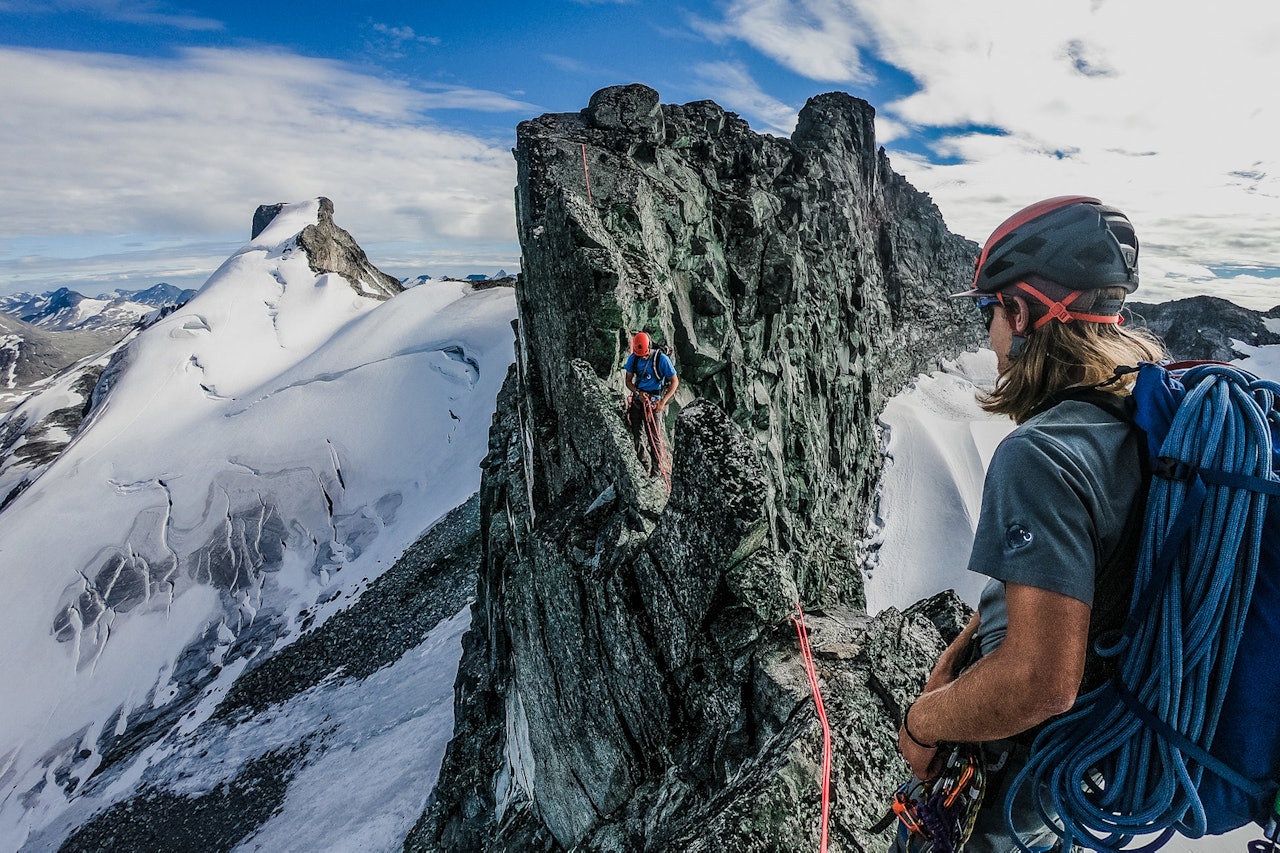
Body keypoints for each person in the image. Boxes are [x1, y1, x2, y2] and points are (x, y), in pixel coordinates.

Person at [891, 196, 1168, 852]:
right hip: (1076, 770)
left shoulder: (1041, 453)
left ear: (1020, 311)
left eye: (992, 312)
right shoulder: (1140, 421)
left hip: (1012, 779)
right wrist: (962, 650)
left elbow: (1040, 681)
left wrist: (922, 722)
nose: (990, 335)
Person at [623, 331, 679, 477]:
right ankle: (643, 463)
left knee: (653, 438)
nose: (642, 357)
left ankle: (656, 471)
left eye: (644, 355)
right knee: (636, 433)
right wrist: (637, 392)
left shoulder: (661, 359)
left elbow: (674, 381)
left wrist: (662, 402)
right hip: (639, 399)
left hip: (654, 400)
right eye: (640, 355)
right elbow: (628, 381)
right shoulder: (633, 359)